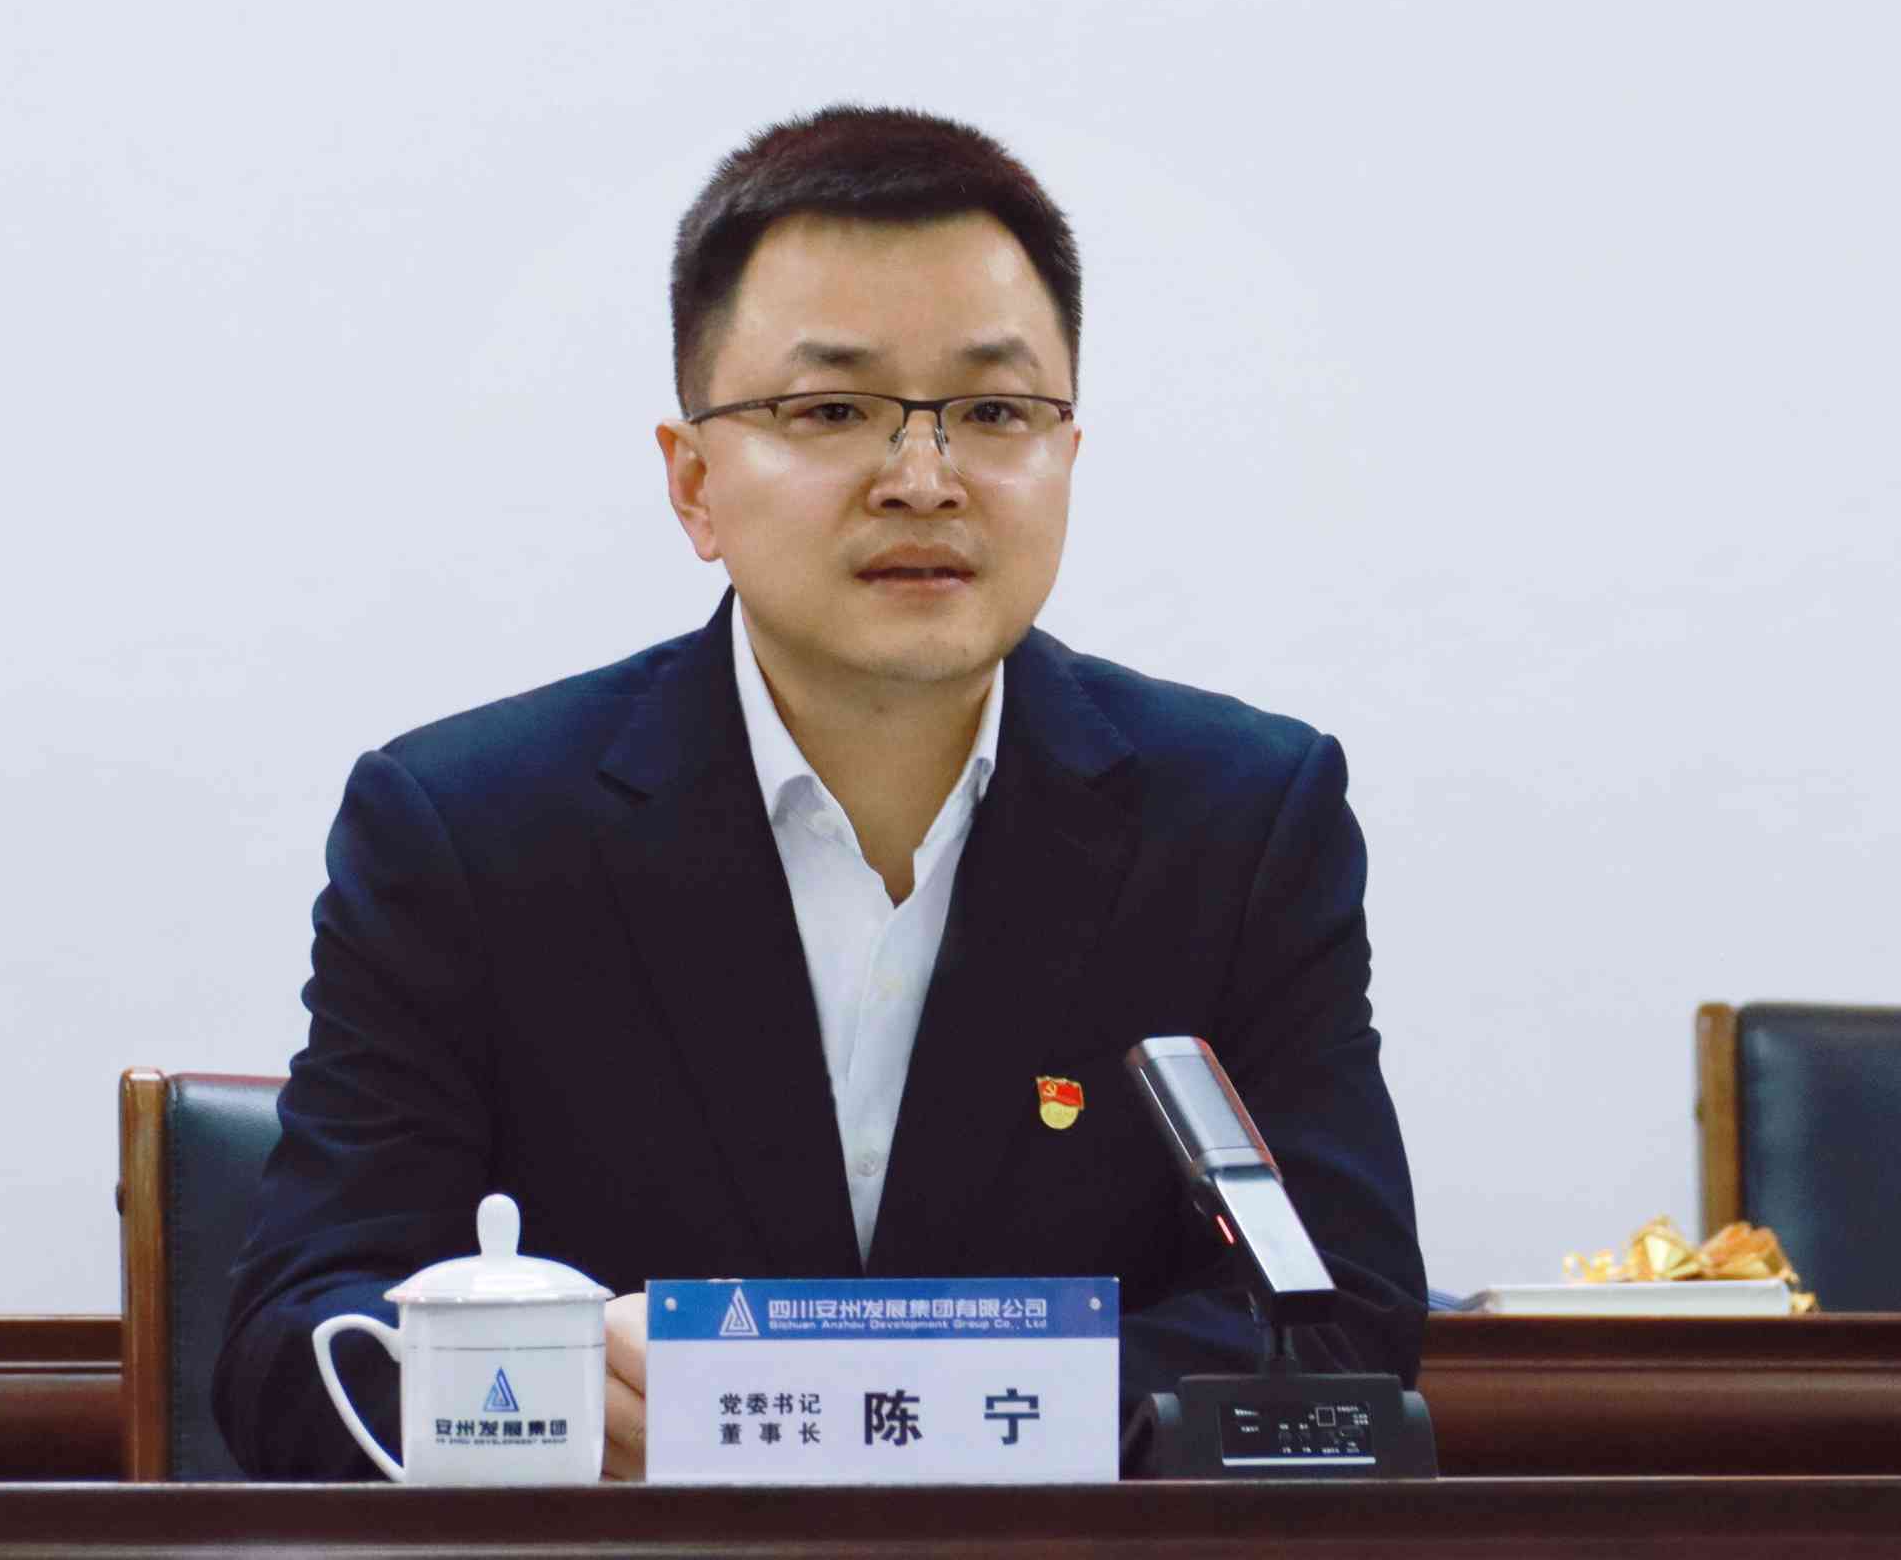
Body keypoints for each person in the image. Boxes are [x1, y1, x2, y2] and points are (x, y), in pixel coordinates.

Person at [213, 105, 1427, 1480]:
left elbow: (1341, 1319)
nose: (924, 480)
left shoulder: (1240, 820)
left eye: (994, 412)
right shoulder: (467, 831)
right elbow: (290, 1346)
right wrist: (539, 1391)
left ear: (1067, 459)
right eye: (833, 411)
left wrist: (828, 1403)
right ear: (694, 484)